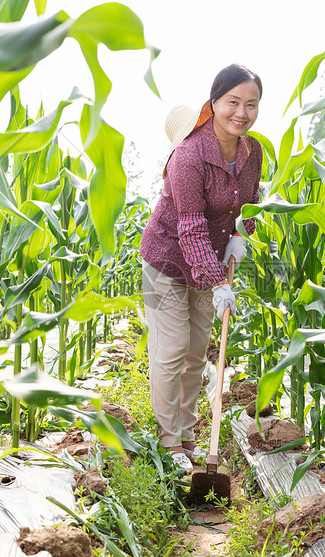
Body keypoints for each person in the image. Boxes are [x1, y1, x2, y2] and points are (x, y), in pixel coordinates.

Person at [140, 64, 264, 472]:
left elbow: (248, 205)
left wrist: (241, 235)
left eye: (251, 104)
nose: (241, 113)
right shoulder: (189, 156)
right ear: (213, 104)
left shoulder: (252, 153)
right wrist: (218, 284)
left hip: (209, 262)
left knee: (197, 353)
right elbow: (190, 228)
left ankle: (190, 435)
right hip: (167, 262)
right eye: (233, 102)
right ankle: (169, 443)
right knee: (172, 351)